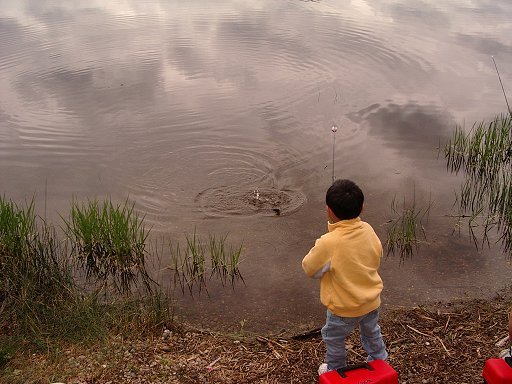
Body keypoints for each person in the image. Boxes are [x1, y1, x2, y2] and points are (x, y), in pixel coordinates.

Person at [302, 179, 388, 375]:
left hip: (343, 308)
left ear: (329, 210)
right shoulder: (368, 229)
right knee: (371, 332)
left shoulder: (328, 242)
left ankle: (335, 369)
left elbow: (309, 269)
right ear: (362, 207)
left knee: (333, 337)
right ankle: (380, 361)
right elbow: (378, 253)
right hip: (371, 302)